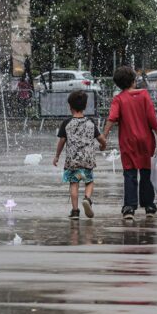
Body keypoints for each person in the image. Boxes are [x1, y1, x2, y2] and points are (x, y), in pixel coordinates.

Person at [103, 66, 157, 220]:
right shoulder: (144, 95)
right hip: (146, 141)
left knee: (130, 173)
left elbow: (111, 118)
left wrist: (103, 136)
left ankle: (129, 208)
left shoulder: (118, 99)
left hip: (128, 142)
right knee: (147, 173)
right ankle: (149, 206)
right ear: (134, 81)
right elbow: (151, 118)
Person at [53, 90, 108, 220]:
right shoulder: (90, 122)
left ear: (70, 106)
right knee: (89, 181)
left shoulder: (67, 123)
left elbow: (61, 141)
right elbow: (101, 139)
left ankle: (75, 211)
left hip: (73, 161)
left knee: (74, 183)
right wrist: (103, 146)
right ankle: (87, 199)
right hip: (87, 160)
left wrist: (57, 156)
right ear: (84, 106)